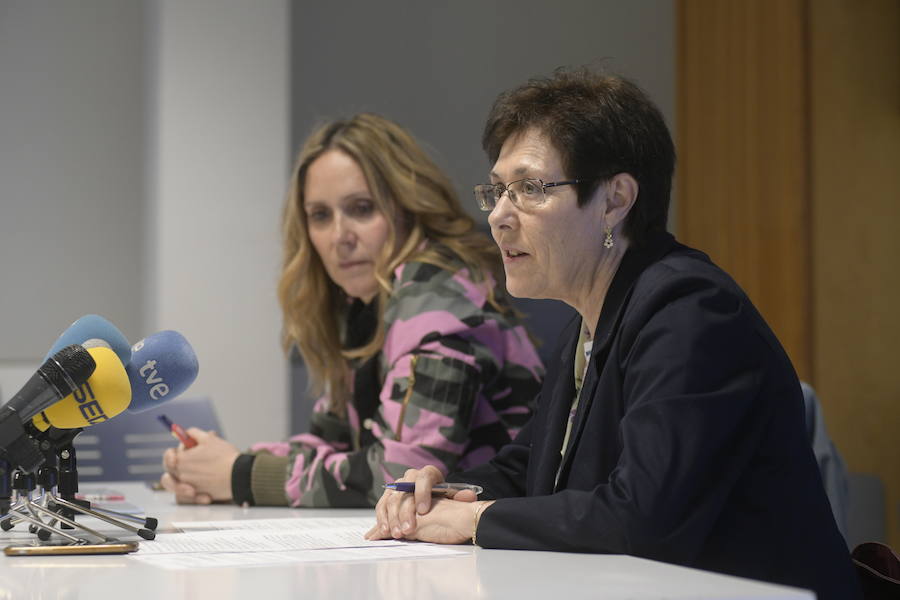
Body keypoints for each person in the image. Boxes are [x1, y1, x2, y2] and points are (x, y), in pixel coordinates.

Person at [366, 70, 862, 599]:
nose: (500, 218)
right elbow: (529, 469)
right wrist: (440, 490)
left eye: (530, 189)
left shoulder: (690, 311)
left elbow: (643, 518)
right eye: (497, 191)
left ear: (614, 200)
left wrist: (474, 521)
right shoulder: (589, 321)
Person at [160, 113, 543, 507]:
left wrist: (239, 475)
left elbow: (400, 473)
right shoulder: (362, 302)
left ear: (407, 207)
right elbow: (332, 441)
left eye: (361, 208)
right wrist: (216, 467)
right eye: (320, 216)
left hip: (511, 546)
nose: (340, 236)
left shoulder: (437, 293)